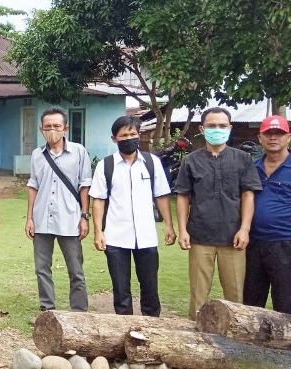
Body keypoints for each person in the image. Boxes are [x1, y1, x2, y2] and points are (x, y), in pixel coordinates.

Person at [174, 107, 262, 320]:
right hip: (200, 236)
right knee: (198, 294)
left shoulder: (243, 159)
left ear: (230, 128)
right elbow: (183, 196)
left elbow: (248, 195)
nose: (217, 130)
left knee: (234, 296)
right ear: (202, 129)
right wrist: (183, 230)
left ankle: (234, 340)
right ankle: (196, 336)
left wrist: (244, 229)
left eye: (222, 126)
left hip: (232, 237)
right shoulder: (191, 161)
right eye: (212, 126)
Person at [89, 116, 175, 317]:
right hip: (116, 236)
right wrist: (98, 232)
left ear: (139, 135)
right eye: (124, 135)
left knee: (150, 287)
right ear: (114, 139)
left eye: (133, 134)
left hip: (146, 236)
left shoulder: (152, 162)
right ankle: (123, 329)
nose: (129, 138)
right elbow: (99, 200)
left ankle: (152, 328)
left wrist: (169, 225)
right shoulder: (106, 165)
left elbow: (161, 195)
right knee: (121, 290)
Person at [26, 106, 91, 312]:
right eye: (48, 126)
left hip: (70, 218)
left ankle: (79, 312)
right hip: (42, 218)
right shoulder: (37, 155)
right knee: (42, 269)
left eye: (56, 125)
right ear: (41, 130)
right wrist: (29, 218)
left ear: (66, 128)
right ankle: (48, 310)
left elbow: (85, 185)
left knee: (76, 270)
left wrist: (84, 217)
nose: (52, 129)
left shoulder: (79, 151)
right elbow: (33, 186)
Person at [245, 115, 291, 314]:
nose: (273, 138)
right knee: (251, 301)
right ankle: (251, 346)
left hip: (285, 243)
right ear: (260, 138)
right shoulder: (251, 167)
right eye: (268, 134)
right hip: (253, 242)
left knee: (285, 300)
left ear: (288, 137)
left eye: (279, 133)